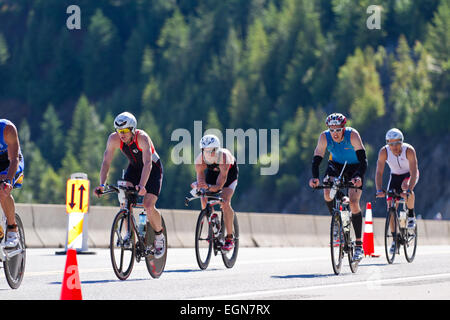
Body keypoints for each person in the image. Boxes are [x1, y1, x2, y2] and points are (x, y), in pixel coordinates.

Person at [94, 112, 165, 258]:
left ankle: (159, 236)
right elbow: (106, 162)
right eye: (119, 131)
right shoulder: (113, 139)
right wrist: (102, 184)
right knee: (123, 196)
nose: (122, 135)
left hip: (152, 168)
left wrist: (142, 185)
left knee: (148, 205)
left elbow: (147, 164)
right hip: (134, 168)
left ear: (133, 130)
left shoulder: (143, 138)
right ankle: (127, 234)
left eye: (125, 131)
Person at [309, 113, 368, 262]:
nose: (334, 133)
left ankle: (359, 245)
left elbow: (363, 160)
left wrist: (359, 176)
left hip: (355, 167)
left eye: (338, 130)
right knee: (327, 192)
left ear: (344, 128)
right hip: (335, 165)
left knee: (354, 203)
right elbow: (317, 158)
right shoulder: (324, 137)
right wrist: (315, 177)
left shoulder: (352, 135)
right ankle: (337, 222)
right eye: (332, 130)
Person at [375, 128, 419, 253]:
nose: (394, 146)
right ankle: (395, 239)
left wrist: (409, 189)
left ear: (402, 142)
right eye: (391, 143)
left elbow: (414, 171)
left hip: (409, 175)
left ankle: (410, 215)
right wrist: (379, 189)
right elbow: (379, 172)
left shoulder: (409, 150)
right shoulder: (384, 152)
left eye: (397, 143)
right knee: (390, 206)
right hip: (394, 176)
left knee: (405, 187)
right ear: (387, 143)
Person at [192, 134, 238, 251]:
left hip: (228, 175)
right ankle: (212, 220)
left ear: (217, 150)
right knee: (203, 195)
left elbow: (219, 186)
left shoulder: (224, 158)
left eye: (211, 150)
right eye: (205, 150)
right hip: (212, 174)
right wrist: (200, 186)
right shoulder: (199, 160)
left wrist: (207, 186)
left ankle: (229, 237)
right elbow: (201, 181)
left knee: (225, 201)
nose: (208, 153)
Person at [0, 119, 25, 248]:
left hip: (11, 162)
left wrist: (8, 181)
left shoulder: (7, 128)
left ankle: (12, 228)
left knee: (2, 189)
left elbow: (14, 160)